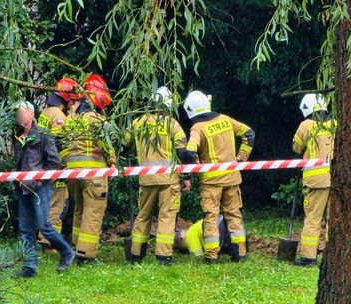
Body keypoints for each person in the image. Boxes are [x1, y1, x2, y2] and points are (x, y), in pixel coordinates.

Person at [183, 90, 255, 264]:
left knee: (211, 217)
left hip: (211, 182)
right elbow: (249, 134)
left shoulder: (197, 128)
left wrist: (195, 168)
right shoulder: (225, 119)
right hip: (231, 177)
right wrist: (241, 157)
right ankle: (240, 253)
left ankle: (211, 256)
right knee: (234, 214)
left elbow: (190, 152)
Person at [125, 86, 190, 265]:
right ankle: (163, 256)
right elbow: (182, 152)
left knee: (143, 215)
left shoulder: (137, 122)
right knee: (167, 216)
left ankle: (136, 254)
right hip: (169, 179)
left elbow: (124, 143)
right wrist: (185, 177)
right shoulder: (172, 124)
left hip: (146, 178)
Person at [13, 101, 75, 278]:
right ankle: (29, 268)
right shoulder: (18, 136)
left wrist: (42, 179)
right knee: (25, 230)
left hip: (39, 187)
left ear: (31, 114)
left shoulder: (42, 134)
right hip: (23, 188)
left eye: (22, 112)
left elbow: (55, 162)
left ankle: (66, 251)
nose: (19, 116)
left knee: (44, 225)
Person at [63, 75, 115, 262]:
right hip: (94, 175)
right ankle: (86, 254)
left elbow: (62, 146)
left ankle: (77, 247)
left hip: (73, 174)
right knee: (93, 212)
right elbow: (106, 142)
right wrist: (112, 160)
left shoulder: (71, 119)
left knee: (79, 210)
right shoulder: (95, 119)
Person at [292, 94, 336, 267]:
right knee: (334, 218)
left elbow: (296, 147)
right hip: (336, 178)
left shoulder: (306, 125)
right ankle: (333, 256)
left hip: (316, 180)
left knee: (313, 219)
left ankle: (308, 256)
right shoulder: (335, 124)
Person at [35, 79, 74, 249]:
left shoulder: (45, 112)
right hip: (55, 167)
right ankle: (50, 242)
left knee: (48, 202)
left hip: (43, 164)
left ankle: (45, 238)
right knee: (57, 204)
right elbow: (58, 142)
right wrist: (63, 163)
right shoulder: (58, 115)